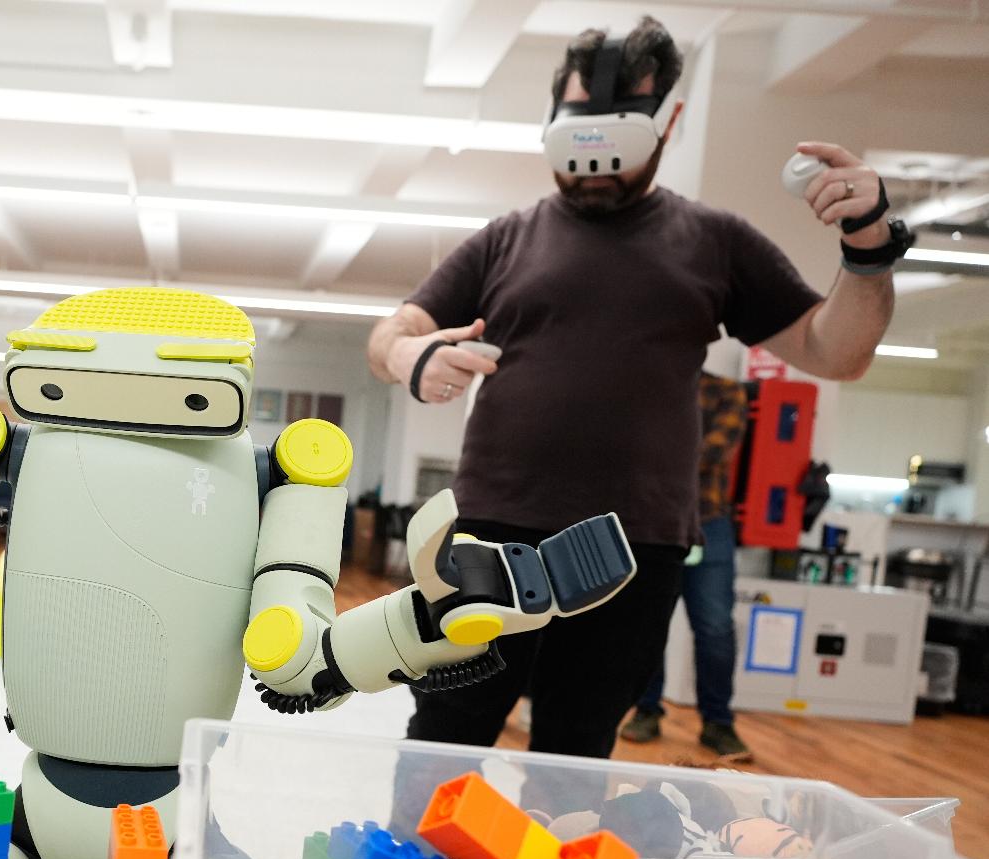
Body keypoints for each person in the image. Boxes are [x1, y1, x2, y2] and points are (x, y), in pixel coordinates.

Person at [365, 16, 904, 765]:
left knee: (576, 751)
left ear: (668, 122)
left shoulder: (713, 241)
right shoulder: (506, 238)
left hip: (632, 548)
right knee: (443, 738)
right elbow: (390, 332)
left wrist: (870, 245)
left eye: (618, 130)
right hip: (491, 531)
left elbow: (835, 352)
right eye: (579, 129)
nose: (595, 156)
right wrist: (410, 352)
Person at [620, 372, 751, 760]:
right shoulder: (646, 387)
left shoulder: (726, 392)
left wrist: (653, 456)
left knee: (715, 628)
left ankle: (718, 723)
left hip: (708, 522)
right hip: (653, 523)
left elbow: (714, 450)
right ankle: (646, 711)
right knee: (649, 623)